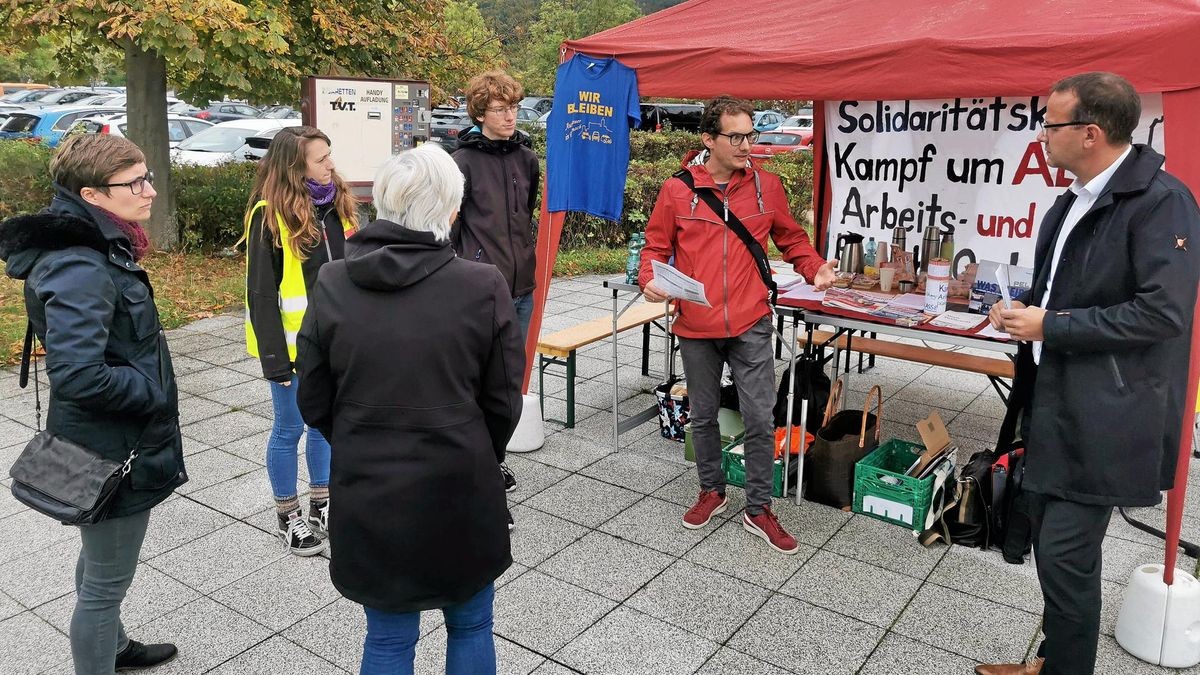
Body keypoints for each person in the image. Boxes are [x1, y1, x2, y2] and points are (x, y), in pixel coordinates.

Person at [981, 72, 1200, 675]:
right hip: (1054, 402)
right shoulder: (1068, 201)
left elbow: (1163, 312)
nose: (1041, 135)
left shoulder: (1163, 202)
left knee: (1064, 554)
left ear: (1090, 132)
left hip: (1108, 414)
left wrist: (1052, 326)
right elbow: (1058, 291)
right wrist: (1021, 309)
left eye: (1050, 124)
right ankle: (1053, 660)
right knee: (1052, 548)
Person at [295, 143, 523, 675]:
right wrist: (474, 445)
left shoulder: (333, 282)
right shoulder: (481, 285)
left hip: (370, 483)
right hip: (459, 479)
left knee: (389, 637)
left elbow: (313, 394)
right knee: (470, 624)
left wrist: (358, 433)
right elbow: (504, 398)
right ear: (450, 210)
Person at [0, 134, 185, 673]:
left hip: (113, 439)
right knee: (104, 586)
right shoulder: (80, 264)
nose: (151, 190)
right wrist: (152, 394)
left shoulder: (94, 245)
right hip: (111, 449)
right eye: (137, 182)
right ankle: (104, 653)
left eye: (148, 176)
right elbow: (78, 374)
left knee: (100, 561)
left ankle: (117, 647)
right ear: (93, 194)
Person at [638, 95, 837, 555]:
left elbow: (791, 238)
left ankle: (759, 507)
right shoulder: (677, 190)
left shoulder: (767, 185)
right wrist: (650, 279)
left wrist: (814, 268)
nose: (748, 144)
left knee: (759, 415)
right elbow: (654, 248)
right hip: (696, 323)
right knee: (704, 415)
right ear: (709, 139)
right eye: (737, 136)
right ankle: (711, 490)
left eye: (752, 134)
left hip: (750, 319)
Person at [243, 125, 359, 556]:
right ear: (295, 168)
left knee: (324, 426)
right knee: (289, 429)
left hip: (335, 342)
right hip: (292, 350)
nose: (331, 164)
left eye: (330, 155)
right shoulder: (268, 215)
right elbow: (260, 294)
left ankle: (322, 504)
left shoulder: (339, 207)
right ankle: (287, 513)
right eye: (320, 158)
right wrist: (275, 361)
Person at [452, 70, 539, 497]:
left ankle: (496, 456)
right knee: (475, 378)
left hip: (523, 285)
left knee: (510, 381)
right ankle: (474, 460)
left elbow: (526, 213)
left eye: (515, 108)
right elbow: (451, 227)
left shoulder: (527, 158)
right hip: (481, 288)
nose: (510, 116)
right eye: (501, 109)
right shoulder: (461, 161)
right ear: (480, 112)